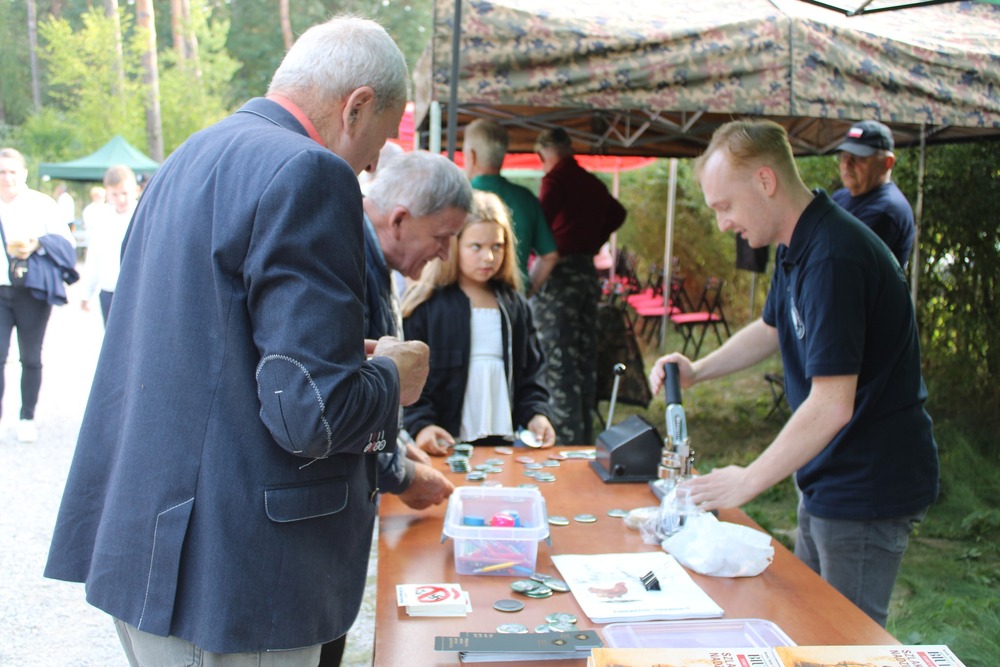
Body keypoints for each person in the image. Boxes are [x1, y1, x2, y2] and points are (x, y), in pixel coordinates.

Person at [44, 17, 429, 666]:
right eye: (377, 143)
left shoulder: (184, 159)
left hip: (153, 544)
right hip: (238, 576)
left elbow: (209, 346)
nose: (368, 167)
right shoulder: (310, 171)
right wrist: (392, 377)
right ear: (356, 105)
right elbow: (312, 413)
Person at [648, 119, 939, 627]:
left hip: (867, 482)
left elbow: (832, 402)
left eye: (725, 206)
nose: (721, 224)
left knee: (844, 639)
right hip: (827, 474)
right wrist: (698, 370)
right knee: (805, 623)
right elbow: (772, 329)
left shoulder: (833, 256)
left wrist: (749, 480)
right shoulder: (798, 244)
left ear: (765, 182)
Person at [401, 190, 555, 455]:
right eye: (477, 247)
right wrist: (422, 425)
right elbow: (409, 378)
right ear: (453, 245)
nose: (489, 257)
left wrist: (536, 414)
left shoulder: (515, 306)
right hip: (443, 442)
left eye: (497, 246)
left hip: (502, 442)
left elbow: (531, 372)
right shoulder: (426, 307)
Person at [532, 127, 627, 445]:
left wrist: (546, 250)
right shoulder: (590, 181)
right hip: (587, 274)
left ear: (546, 151)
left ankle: (564, 438)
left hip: (559, 275)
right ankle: (585, 433)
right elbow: (617, 213)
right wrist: (591, 241)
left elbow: (539, 222)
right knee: (585, 354)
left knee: (558, 356)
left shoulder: (555, 180)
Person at [0, 148, 78, 444]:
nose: (7, 178)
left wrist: (36, 245)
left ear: (24, 173)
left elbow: (66, 245)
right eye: (2, 171)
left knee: (30, 356)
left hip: (32, 291)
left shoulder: (40, 204)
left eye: (12, 171)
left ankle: (26, 416)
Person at [463, 119, 559, 297]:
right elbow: (550, 255)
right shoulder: (526, 198)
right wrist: (526, 290)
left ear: (472, 156)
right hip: (513, 300)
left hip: (464, 300)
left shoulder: (458, 197)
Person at [831, 120, 915, 268]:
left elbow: (835, 258)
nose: (846, 164)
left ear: (887, 163)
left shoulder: (887, 209)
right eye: (844, 156)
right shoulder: (840, 197)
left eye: (859, 157)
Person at [80, 164, 138, 325]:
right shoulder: (102, 219)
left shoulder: (144, 216)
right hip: (110, 290)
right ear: (107, 193)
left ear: (135, 190)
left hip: (137, 291)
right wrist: (87, 293)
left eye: (125, 193)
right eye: (115, 194)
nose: (121, 199)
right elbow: (94, 257)